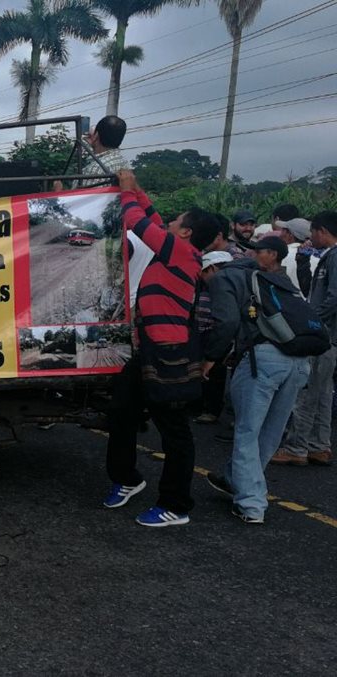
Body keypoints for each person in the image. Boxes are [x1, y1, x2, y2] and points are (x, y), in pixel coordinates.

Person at [102, 170, 218, 528]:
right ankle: (127, 478)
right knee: (121, 411)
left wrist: (126, 193)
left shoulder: (179, 251)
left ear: (185, 232)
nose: (168, 222)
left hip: (170, 354)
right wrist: (138, 189)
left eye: (176, 221)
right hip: (149, 351)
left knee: (175, 432)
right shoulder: (176, 248)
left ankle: (176, 505)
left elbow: (139, 223)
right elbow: (151, 218)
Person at [203, 236, 310, 523]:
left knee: (247, 432)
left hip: (262, 359)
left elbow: (227, 322)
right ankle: (234, 479)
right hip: (299, 360)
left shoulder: (224, 279)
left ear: (209, 269)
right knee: (270, 432)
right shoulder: (279, 278)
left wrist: (211, 357)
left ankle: (251, 505)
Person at [273, 212, 337, 468]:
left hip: (324, 335)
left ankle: (296, 447)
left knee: (307, 392)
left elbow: (333, 297)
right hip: (330, 336)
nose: (310, 238)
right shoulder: (329, 256)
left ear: (322, 231)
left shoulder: (334, 257)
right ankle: (319, 445)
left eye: (312, 232)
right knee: (322, 392)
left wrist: (313, 321)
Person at [195, 250, 234, 424]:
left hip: (216, 334)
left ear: (212, 269)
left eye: (204, 272)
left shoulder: (223, 285)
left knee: (214, 373)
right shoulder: (210, 285)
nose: (202, 276)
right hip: (205, 333)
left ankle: (212, 409)